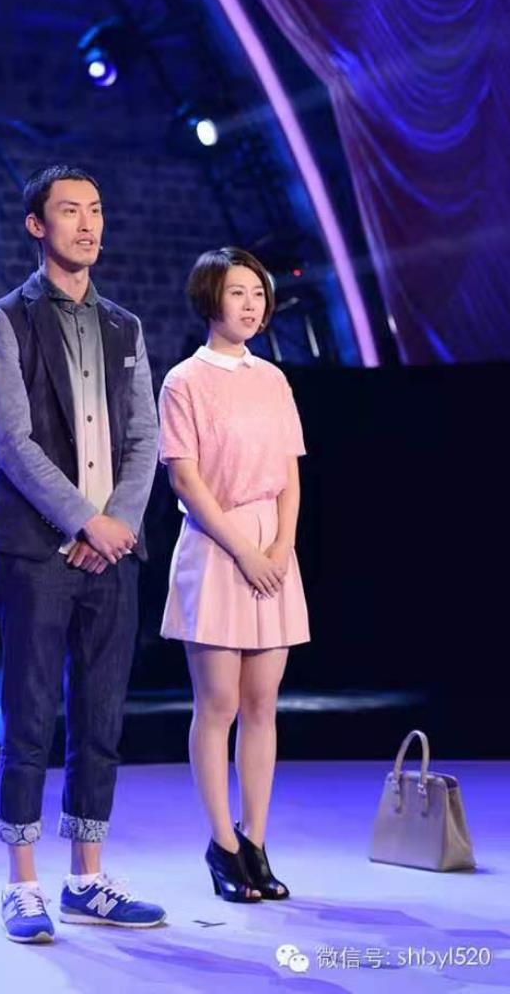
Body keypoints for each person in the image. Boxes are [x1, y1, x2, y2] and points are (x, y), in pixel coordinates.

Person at [0, 164, 166, 941]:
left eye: (95, 210)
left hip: (112, 554)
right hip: (35, 550)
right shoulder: (3, 320)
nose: (87, 225)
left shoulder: (125, 326)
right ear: (36, 225)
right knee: (29, 715)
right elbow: (10, 441)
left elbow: (145, 436)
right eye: (69, 211)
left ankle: (87, 877)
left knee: (101, 716)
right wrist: (85, 521)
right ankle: (21, 884)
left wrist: (116, 523)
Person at [158, 247, 310, 903]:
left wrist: (280, 548)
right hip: (217, 548)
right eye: (237, 292)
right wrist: (245, 552)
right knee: (218, 705)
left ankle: (256, 841)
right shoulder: (184, 381)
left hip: (273, 549)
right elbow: (185, 480)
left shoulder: (273, 380)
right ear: (209, 298)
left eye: (258, 293)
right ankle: (221, 845)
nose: (250, 305)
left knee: (261, 705)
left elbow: (290, 475)